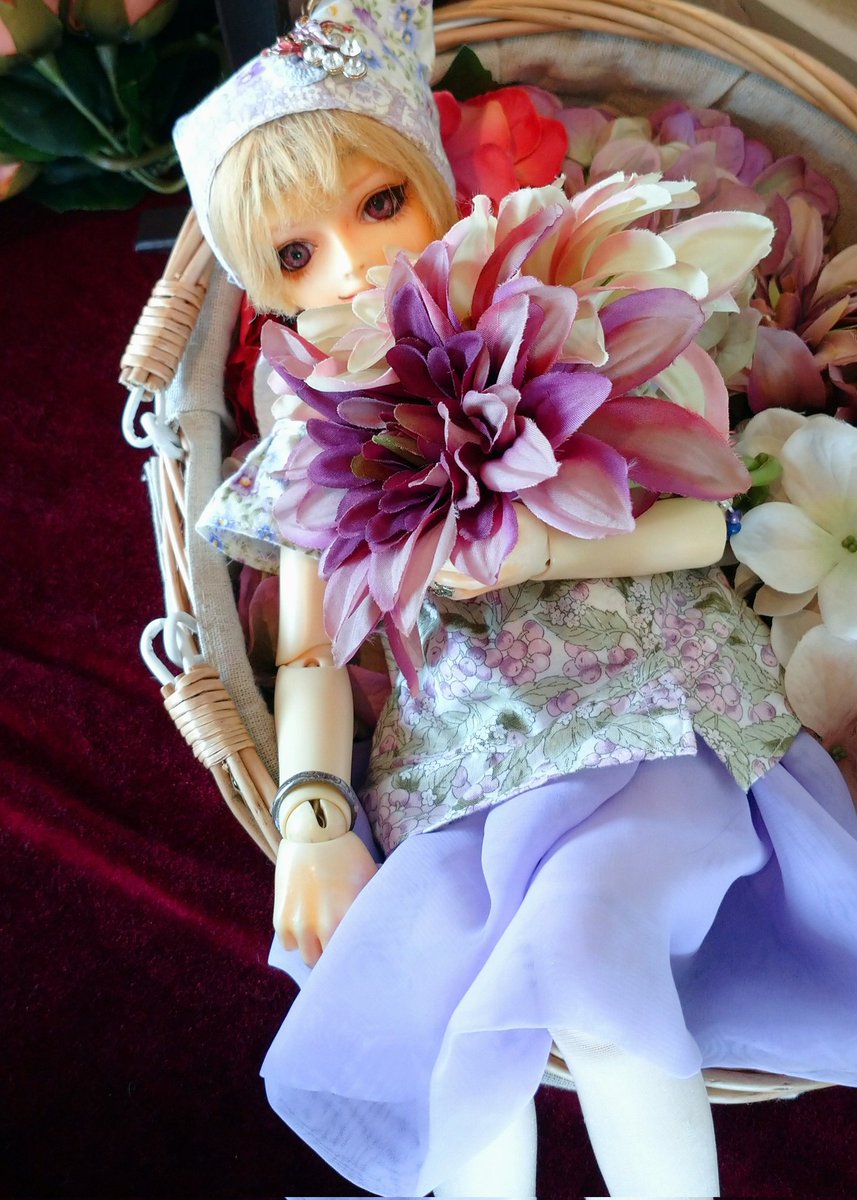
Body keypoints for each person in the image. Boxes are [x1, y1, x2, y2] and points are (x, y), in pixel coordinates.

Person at [174, 3, 857, 1197]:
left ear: (434, 183)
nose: (351, 262)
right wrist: (312, 815)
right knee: (458, 1028)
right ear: (261, 290)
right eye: (293, 254)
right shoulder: (309, 434)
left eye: (379, 203)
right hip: (463, 762)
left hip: (646, 715)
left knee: (588, 964)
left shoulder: (553, 305)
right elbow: (309, 653)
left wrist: (537, 553)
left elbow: (707, 519)